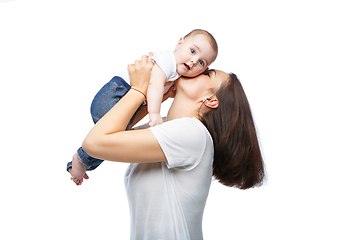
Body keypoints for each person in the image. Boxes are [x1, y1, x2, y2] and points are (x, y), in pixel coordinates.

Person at [73, 54, 265, 239]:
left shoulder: (192, 133)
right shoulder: (169, 128)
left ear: (211, 100)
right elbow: (113, 132)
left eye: (207, 73)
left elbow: (94, 143)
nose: (198, 69)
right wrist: (156, 96)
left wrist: (139, 90)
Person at [67, 29, 218, 184]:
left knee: (116, 141)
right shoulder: (168, 60)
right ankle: (80, 159)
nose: (193, 61)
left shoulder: (176, 72)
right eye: (192, 51)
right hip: (115, 94)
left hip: (124, 99)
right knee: (115, 140)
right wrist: (154, 114)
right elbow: (155, 84)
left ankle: (81, 161)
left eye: (201, 62)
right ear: (180, 43)